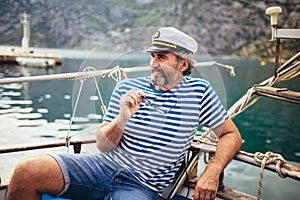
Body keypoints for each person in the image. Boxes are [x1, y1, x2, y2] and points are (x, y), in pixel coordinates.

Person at [6, 27, 242, 200]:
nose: (153, 63)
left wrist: (212, 171)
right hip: (100, 167)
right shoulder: (127, 89)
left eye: (162, 57)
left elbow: (231, 135)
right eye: (152, 56)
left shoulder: (200, 93)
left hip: (141, 186)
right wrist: (122, 118)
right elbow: (102, 145)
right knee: (26, 172)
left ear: (183, 64)